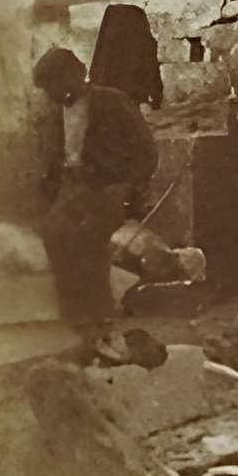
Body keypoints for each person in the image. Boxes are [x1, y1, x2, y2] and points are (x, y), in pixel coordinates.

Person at [33, 47, 160, 354]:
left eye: (56, 84)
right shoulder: (55, 113)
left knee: (87, 234)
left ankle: (100, 314)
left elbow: (146, 152)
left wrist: (128, 188)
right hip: (73, 190)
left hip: (112, 189)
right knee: (54, 231)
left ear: (76, 74)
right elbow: (53, 160)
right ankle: (77, 316)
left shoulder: (112, 101)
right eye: (48, 88)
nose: (52, 94)